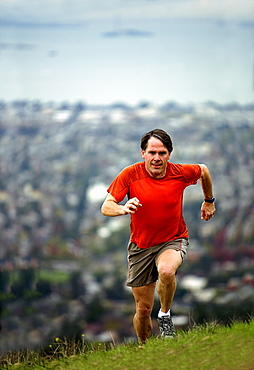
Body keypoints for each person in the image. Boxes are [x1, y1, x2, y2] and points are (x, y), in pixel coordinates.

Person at [101, 128, 216, 344]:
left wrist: (209, 200)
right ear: (143, 153)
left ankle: (164, 316)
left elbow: (203, 171)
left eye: (162, 153)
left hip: (173, 238)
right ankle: (145, 349)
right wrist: (123, 208)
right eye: (152, 152)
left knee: (166, 270)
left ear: (169, 154)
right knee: (143, 309)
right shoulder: (130, 174)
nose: (156, 158)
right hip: (140, 246)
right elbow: (106, 206)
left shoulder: (179, 172)